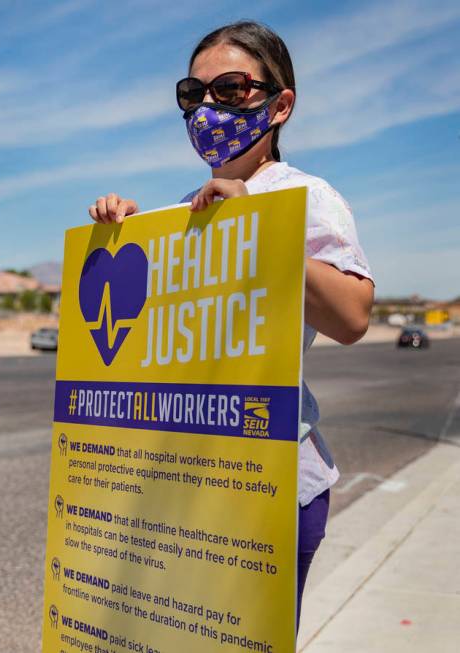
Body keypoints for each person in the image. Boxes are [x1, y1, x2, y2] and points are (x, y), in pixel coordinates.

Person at [87, 21, 375, 627]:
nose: (209, 107)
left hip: (267, 488)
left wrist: (265, 228)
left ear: (280, 104)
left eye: (232, 89)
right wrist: (129, 235)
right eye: (194, 94)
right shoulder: (192, 208)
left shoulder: (304, 195)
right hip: (188, 481)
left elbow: (352, 316)